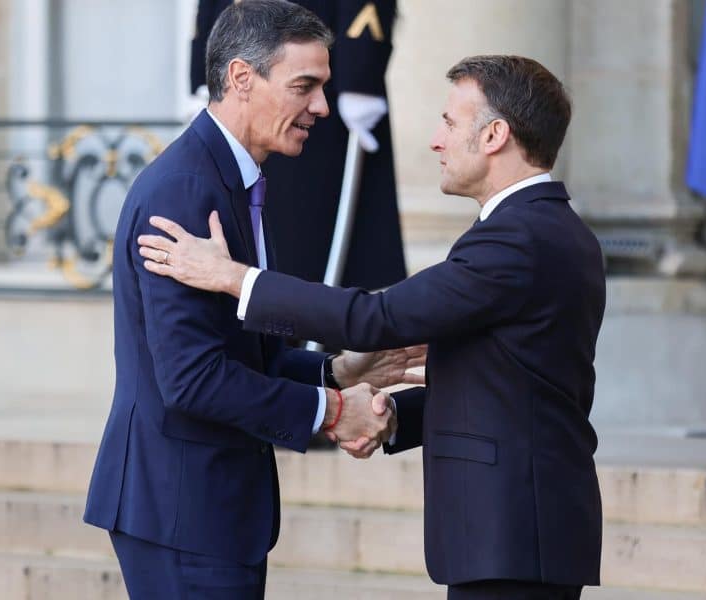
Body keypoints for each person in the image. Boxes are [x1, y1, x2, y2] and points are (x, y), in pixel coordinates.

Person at [139, 55, 606, 599]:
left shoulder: (519, 237)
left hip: (517, 538)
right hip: (520, 536)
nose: (436, 140)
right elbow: (513, 386)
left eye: (450, 123)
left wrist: (235, 278)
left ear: (496, 135)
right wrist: (389, 421)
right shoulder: (541, 227)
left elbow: (374, 319)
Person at [83, 2, 421, 598]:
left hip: (206, 508)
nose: (321, 107)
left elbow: (237, 352)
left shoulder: (230, 177)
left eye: (324, 87)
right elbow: (192, 379)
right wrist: (334, 413)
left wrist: (337, 371)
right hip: (184, 509)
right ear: (242, 79)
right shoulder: (188, 191)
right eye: (304, 86)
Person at [189, 0, 406, 291]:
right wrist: (205, 69)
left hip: (317, 67)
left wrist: (360, 70)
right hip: (243, 67)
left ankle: (306, 321)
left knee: (308, 217)